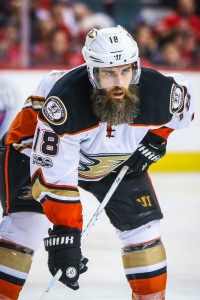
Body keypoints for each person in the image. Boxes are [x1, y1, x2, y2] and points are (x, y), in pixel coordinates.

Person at [0, 25, 195, 300]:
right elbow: (55, 176)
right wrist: (66, 233)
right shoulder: (65, 103)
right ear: (92, 73)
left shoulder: (159, 92)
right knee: (26, 225)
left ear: (136, 67)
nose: (118, 83)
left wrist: (156, 137)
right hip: (31, 149)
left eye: (126, 71)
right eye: (108, 73)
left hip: (110, 159)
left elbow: (184, 106)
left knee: (144, 228)